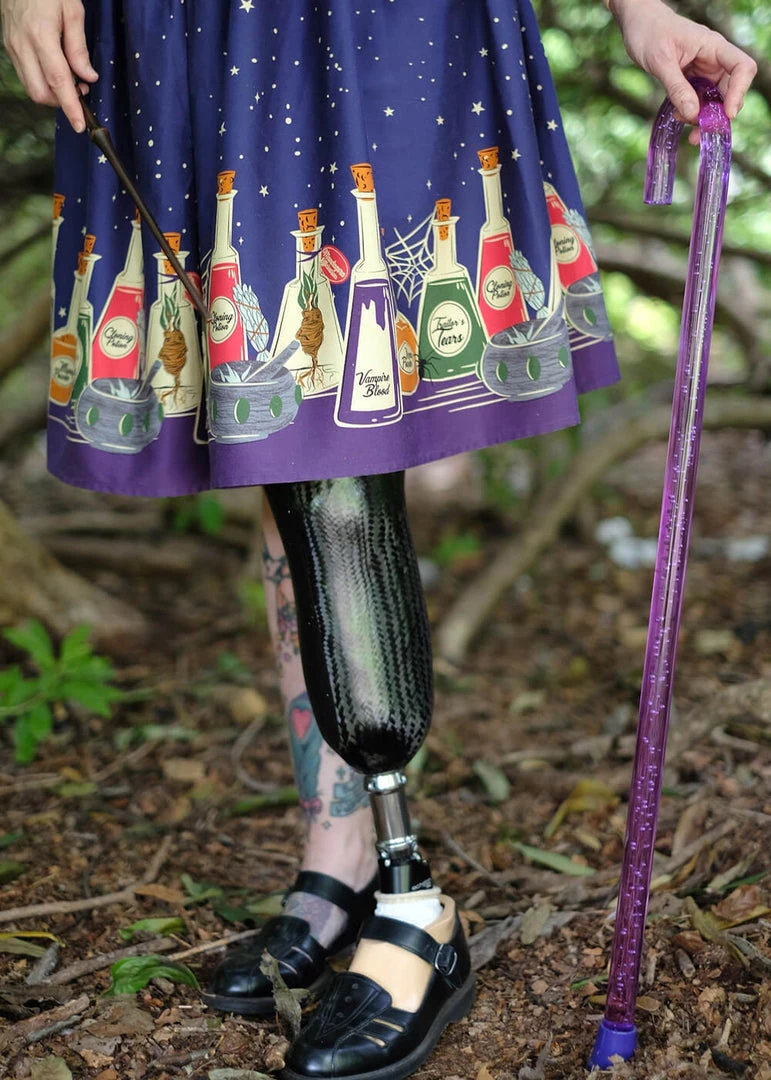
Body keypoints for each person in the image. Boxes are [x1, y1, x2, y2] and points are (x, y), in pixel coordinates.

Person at [1, 2, 756, 1079]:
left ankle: (412, 903)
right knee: (278, 440)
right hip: (182, 26)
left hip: (366, 29)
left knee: (333, 441)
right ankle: (345, 855)